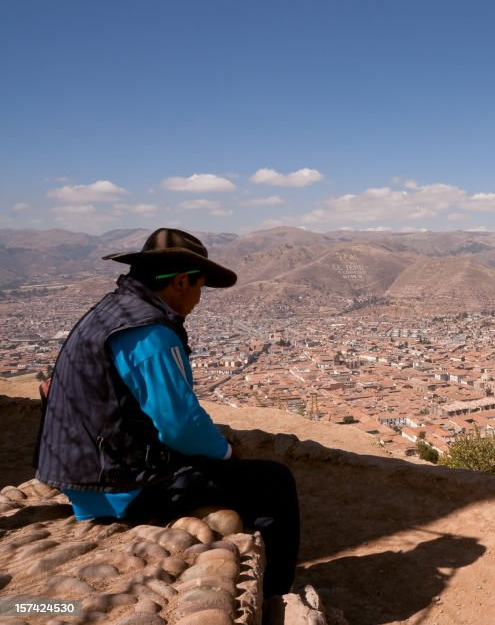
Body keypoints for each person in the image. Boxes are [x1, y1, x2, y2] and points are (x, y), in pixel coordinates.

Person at [34, 228, 299, 596]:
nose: (198, 299)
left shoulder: (109, 311)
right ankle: (274, 594)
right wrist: (226, 454)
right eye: (199, 287)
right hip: (117, 484)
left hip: (77, 470)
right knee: (273, 481)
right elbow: (178, 425)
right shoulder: (149, 333)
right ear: (178, 282)